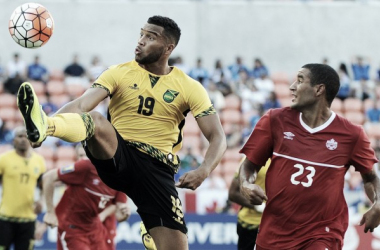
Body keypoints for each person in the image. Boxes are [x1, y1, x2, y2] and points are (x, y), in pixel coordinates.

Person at [17, 15, 227, 250]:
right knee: (95, 120)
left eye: (150, 37)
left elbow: (217, 136)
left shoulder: (190, 87)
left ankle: (149, 226)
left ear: (169, 47)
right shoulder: (118, 72)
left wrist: (204, 169)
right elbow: (81, 105)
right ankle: (46, 125)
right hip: (119, 155)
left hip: (158, 171)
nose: (140, 41)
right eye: (141, 34)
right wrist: (48, 125)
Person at [239, 63, 380, 250]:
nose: (291, 87)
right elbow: (249, 166)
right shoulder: (274, 120)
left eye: (299, 81)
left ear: (319, 89)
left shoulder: (352, 135)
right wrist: (245, 184)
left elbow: (371, 179)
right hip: (274, 233)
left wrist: (378, 204)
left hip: (322, 233)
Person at [42, 144, 130, 250]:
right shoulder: (86, 166)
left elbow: (120, 208)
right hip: (73, 228)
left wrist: (124, 212)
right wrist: (50, 212)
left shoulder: (120, 175)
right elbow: (48, 177)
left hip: (94, 226)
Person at [0, 126, 46, 250]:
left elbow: (43, 186)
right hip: (5, 218)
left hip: (28, 220)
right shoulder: (3, 159)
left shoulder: (39, 161)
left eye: (26, 136)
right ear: (13, 140)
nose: (23, 139)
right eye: (20, 136)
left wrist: (41, 201)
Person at [229, 158, 269, 250]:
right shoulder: (251, 159)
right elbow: (233, 193)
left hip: (275, 224)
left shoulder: (286, 159)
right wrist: (257, 207)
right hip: (250, 224)